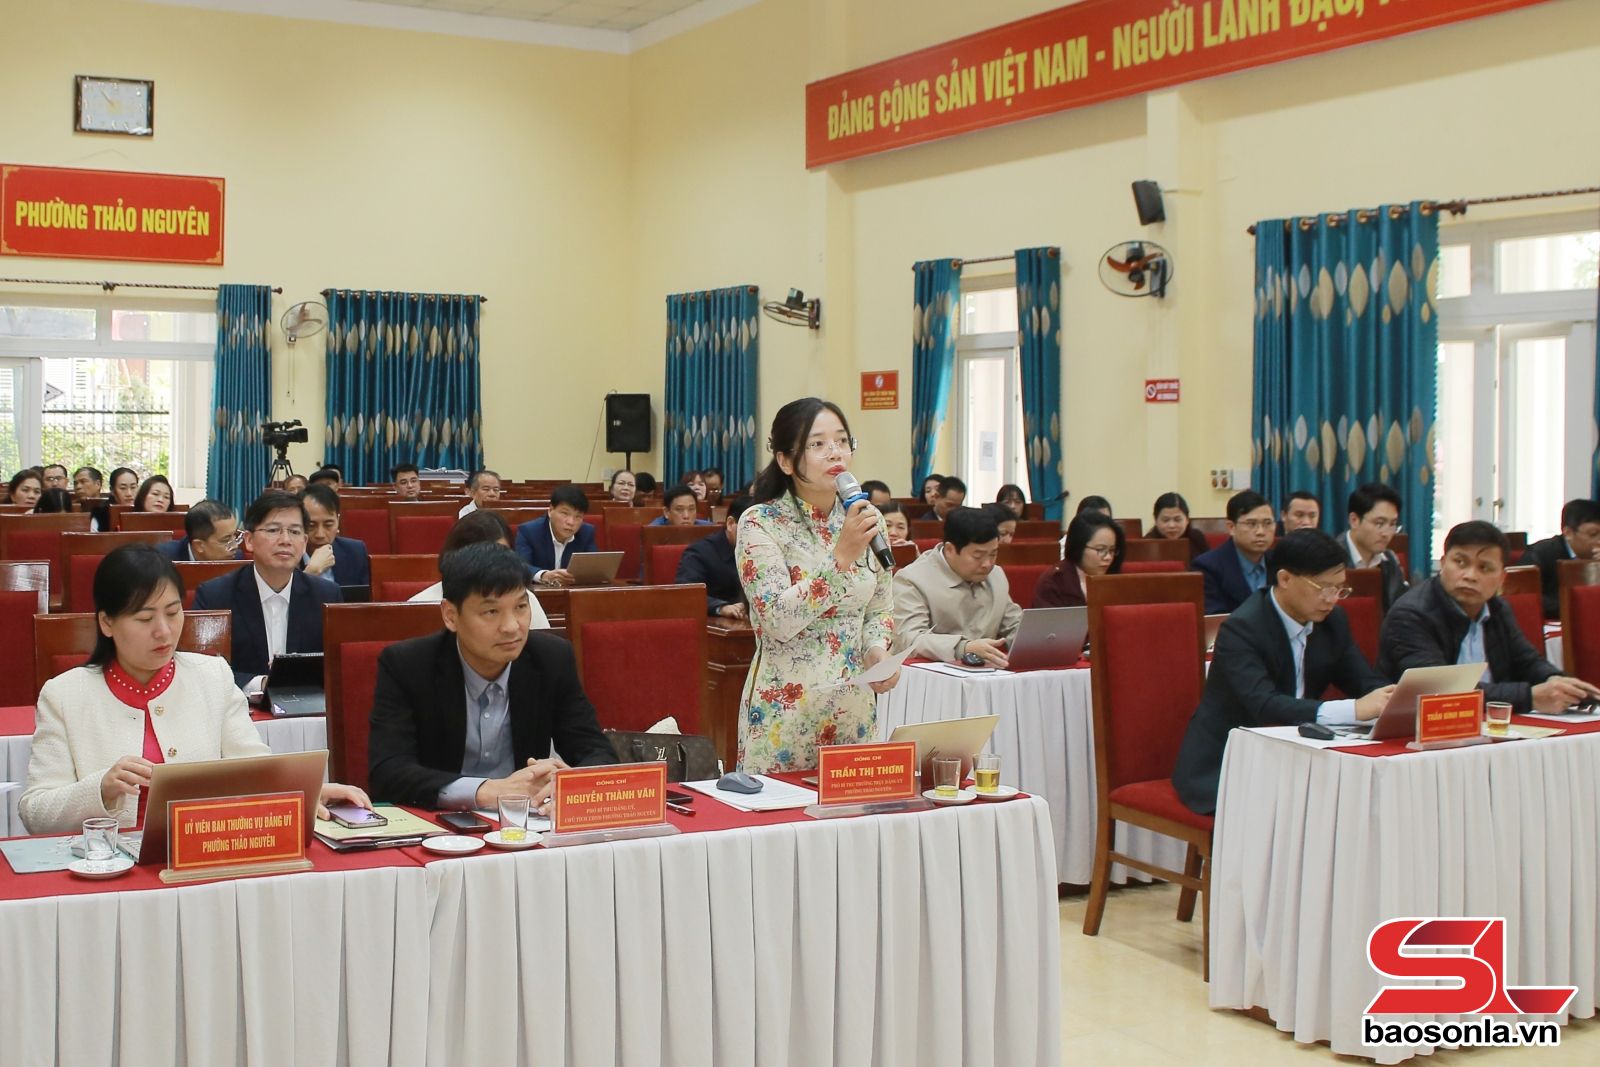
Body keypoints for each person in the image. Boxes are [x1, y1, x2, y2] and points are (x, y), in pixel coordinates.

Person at [18, 544, 368, 833]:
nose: (164, 631)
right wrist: (101, 789)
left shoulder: (211, 676)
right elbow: (35, 813)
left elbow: (253, 768)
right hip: (110, 867)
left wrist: (309, 791)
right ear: (107, 623)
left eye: (173, 613)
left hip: (206, 853)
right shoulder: (65, 695)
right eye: (145, 619)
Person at [367, 542, 617, 810]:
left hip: (525, 822)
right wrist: (485, 791)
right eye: (491, 611)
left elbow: (597, 751)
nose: (511, 627)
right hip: (441, 823)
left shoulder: (552, 658)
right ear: (450, 615)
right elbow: (388, 772)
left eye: (520, 607)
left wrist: (570, 784)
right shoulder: (407, 666)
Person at [1172, 530, 1396, 815]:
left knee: (1361, 800)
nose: (1332, 599)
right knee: (1317, 808)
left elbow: (1363, 681)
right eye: (1323, 588)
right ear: (1285, 579)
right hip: (1229, 763)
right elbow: (1264, 704)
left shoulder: (1332, 621)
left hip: (1296, 756)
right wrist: (1355, 709)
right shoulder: (1242, 629)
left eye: (1340, 589)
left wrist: (1394, 699)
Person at [737, 397, 898, 773]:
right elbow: (777, 620)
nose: (835, 452)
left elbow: (880, 608)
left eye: (842, 441)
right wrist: (840, 557)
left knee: (856, 807)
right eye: (818, 444)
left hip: (854, 709)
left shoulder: (868, 519)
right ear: (786, 461)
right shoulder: (761, 523)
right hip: (786, 710)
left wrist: (876, 650)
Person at [1381, 521, 1599, 714]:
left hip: (1489, 724)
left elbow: (1528, 661)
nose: (1470, 576)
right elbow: (1439, 691)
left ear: (1502, 578)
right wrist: (1530, 697)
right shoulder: (1411, 614)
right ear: (1444, 562)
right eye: (1460, 562)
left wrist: (1556, 681)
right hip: (1418, 730)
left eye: (1484, 568)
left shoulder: (1498, 609)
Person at [192, 490, 343, 691]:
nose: (286, 540)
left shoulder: (327, 595)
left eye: (295, 532)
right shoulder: (214, 596)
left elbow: (339, 666)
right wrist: (262, 684)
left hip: (307, 705)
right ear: (249, 540)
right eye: (273, 530)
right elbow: (202, 669)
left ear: (304, 542)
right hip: (240, 706)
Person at [892, 506, 1022, 666]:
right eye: (978, 556)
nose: (987, 564)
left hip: (987, 672)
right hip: (932, 674)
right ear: (950, 549)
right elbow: (910, 640)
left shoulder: (996, 575)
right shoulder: (912, 579)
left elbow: (1014, 624)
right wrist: (963, 648)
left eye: (993, 554)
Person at [406, 510, 550, 625]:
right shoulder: (418, 606)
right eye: (480, 557)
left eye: (500, 556)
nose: (490, 566)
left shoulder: (525, 600)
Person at [1192, 490, 1276, 614]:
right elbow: (1214, 618)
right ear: (1231, 527)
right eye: (1251, 524)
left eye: (1267, 523)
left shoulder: (1282, 563)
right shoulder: (1207, 567)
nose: (1261, 532)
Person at [1521, 498, 1600, 619]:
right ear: (1568, 533)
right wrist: (1575, 607)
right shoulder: (1540, 554)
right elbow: (1525, 598)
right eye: (1593, 534)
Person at [676, 495, 751, 619]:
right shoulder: (700, 552)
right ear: (730, 524)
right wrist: (721, 608)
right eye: (751, 529)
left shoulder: (767, 552)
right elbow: (685, 593)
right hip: (716, 622)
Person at [1337, 482, 1408, 610]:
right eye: (1379, 523)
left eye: (1392, 524)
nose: (1386, 533)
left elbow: (1401, 608)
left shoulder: (1390, 560)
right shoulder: (1330, 559)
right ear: (1354, 520)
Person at [1036, 511, 1124, 608]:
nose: (1108, 557)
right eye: (1100, 549)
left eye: (1112, 550)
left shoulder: (1114, 577)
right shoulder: (1055, 581)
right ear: (1079, 547)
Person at [514, 484, 598, 586]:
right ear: (550, 511)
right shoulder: (529, 531)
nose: (571, 522)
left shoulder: (586, 532)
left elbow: (594, 568)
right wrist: (544, 575)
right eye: (565, 513)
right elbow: (521, 566)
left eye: (578, 516)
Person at [301, 483, 372, 586]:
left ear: (338, 520)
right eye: (311, 525)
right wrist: (311, 572)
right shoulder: (287, 555)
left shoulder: (355, 552)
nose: (320, 534)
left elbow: (366, 595)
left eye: (328, 525)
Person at [157, 499, 239, 562]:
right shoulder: (163, 559)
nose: (235, 546)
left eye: (235, 536)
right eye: (225, 540)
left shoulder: (237, 557)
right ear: (199, 546)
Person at [1148, 491, 1210, 561]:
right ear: (1156, 520)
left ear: (1187, 520)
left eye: (1177, 520)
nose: (1171, 525)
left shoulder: (1196, 538)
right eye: (1165, 520)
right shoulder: (1147, 543)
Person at [73, 465, 110, 531]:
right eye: (75, 483)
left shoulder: (109, 509)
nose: (78, 486)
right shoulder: (70, 508)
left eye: (83, 481)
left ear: (98, 484)